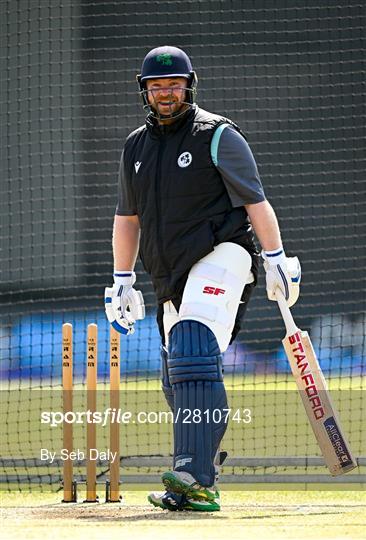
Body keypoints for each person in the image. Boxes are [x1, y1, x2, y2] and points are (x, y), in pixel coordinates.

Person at [105, 45, 301, 512]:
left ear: (189, 85)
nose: (166, 93)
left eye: (174, 85)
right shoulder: (135, 145)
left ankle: (192, 470)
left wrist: (275, 256)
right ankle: (195, 481)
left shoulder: (217, 135)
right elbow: (126, 218)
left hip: (224, 253)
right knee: (178, 377)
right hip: (169, 273)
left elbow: (255, 199)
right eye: (157, 87)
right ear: (145, 91)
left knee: (193, 344)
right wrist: (122, 280)